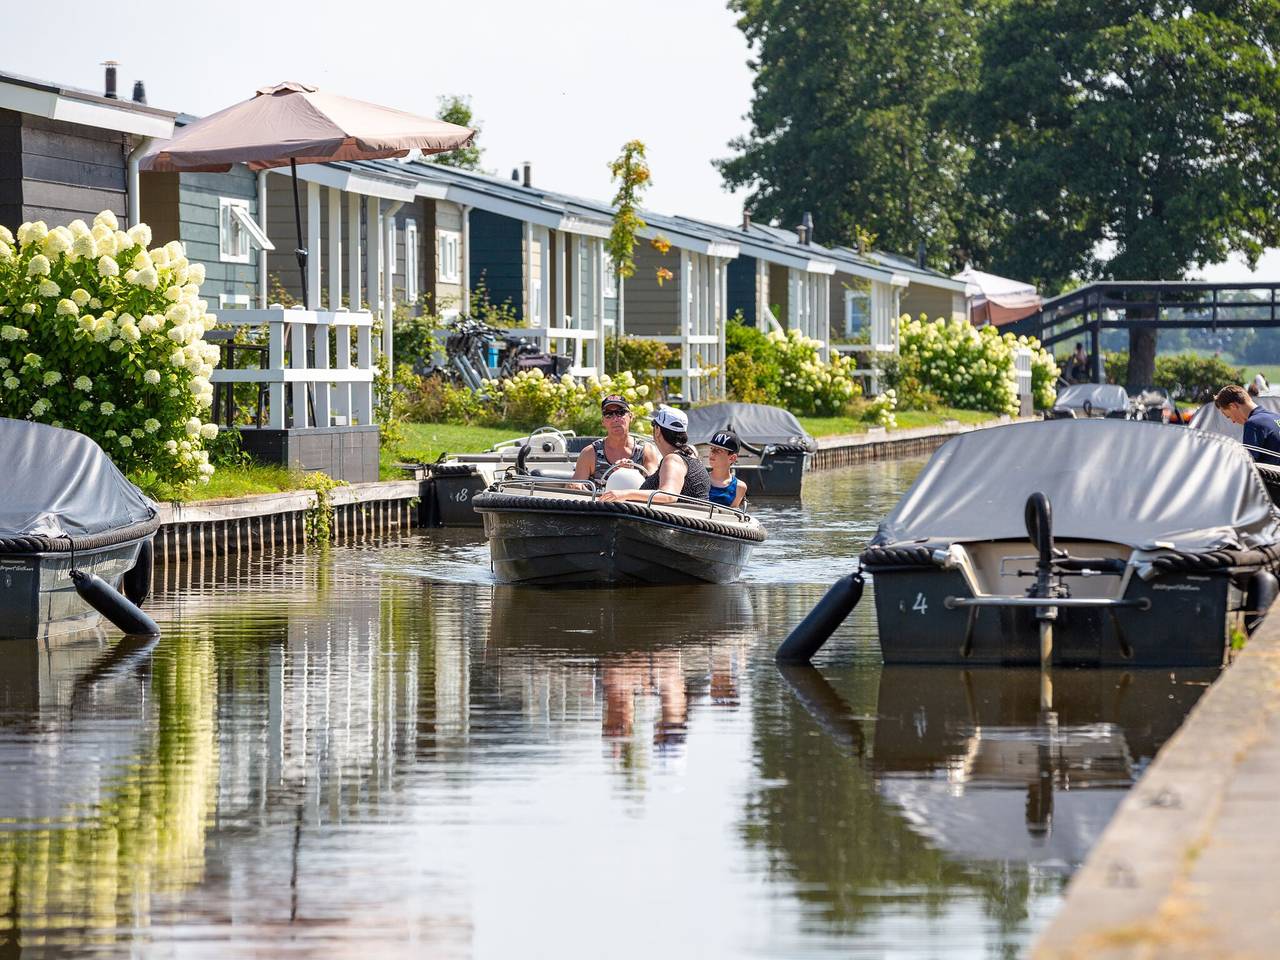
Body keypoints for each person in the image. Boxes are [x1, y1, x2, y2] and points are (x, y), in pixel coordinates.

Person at [600, 405, 710, 504]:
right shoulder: (690, 454)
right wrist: (634, 470)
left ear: (657, 430)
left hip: (678, 523)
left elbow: (668, 495)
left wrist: (625, 494)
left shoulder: (672, 460)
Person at [571, 394, 661, 486]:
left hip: (635, 500)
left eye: (620, 413)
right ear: (603, 421)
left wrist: (632, 473)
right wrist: (577, 486)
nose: (615, 419)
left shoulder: (646, 451)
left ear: (631, 417)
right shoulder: (590, 453)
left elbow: (655, 486)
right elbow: (573, 487)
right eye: (608, 414)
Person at [1214, 384, 1280, 465]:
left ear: (1233, 406)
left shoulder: (1253, 424)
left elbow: (1247, 466)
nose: (1233, 421)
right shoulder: (1276, 417)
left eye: (1229, 416)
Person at [706, 431, 748, 509]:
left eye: (719, 450)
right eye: (712, 448)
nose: (712, 453)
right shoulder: (700, 479)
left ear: (732, 458)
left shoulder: (740, 487)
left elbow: (732, 516)